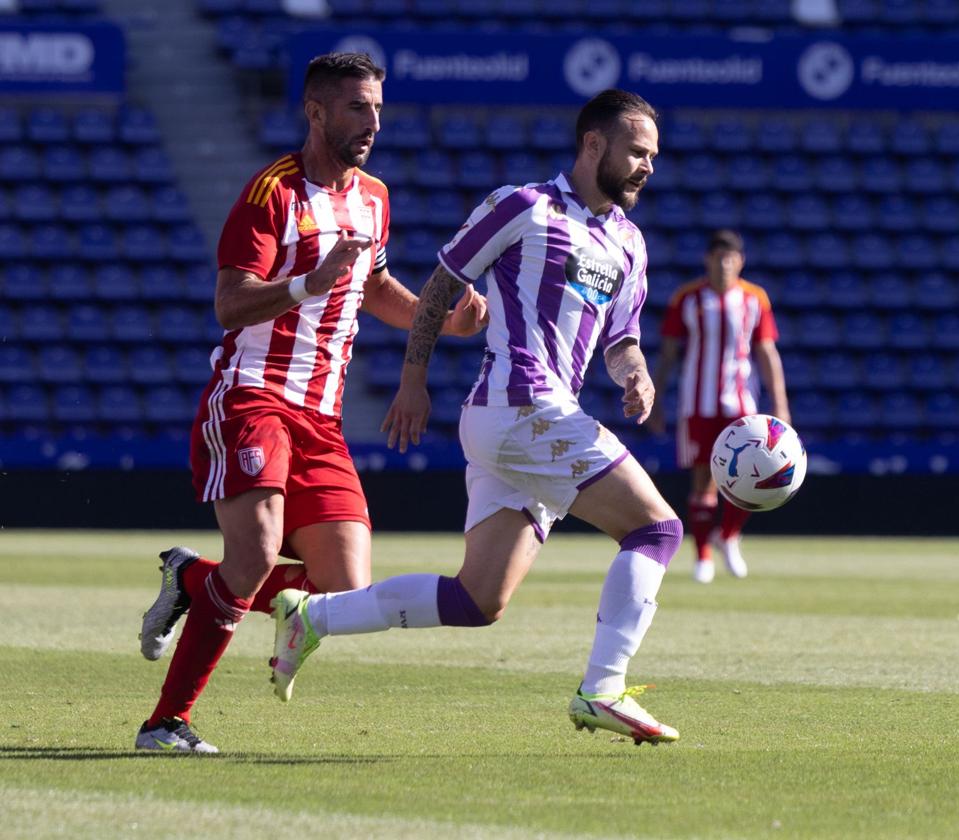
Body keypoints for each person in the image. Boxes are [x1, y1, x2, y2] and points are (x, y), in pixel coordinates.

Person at [267, 88, 685, 746]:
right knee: (657, 529)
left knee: (476, 601)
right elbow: (442, 283)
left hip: (530, 422)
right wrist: (412, 379)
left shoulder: (629, 245)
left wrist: (635, 375)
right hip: (521, 406)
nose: (647, 166)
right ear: (593, 145)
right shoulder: (522, 207)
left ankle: (313, 618)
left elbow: (621, 339)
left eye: (654, 156)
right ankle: (603, 688)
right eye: (637, 152)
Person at [133, 52, 485, 754]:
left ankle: (192, 577)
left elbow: (373, 287)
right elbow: (230, 304)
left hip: (321, 418)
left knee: (346, 589)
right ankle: (165, 722)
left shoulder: (374, 197)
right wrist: (306, 283)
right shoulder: (270, 193)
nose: (372, 122)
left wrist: (439, 320)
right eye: (358, 107)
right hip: (255, 395)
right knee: (258, 552)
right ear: (316, 112)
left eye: (378, 109)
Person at [648, 229, 789, 584]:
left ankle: (727, 536)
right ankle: (703, 555)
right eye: (718, 257)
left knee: (753, 478)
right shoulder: (688, 299)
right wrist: (657, 398)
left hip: (742, 403)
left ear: (740, 261)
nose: (724, 264)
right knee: (702, 479)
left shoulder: (755, 299)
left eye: (731, 258)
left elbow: (767, 352)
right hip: (698, 402)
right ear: (707, 260)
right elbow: (668, 353)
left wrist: (780, 405)